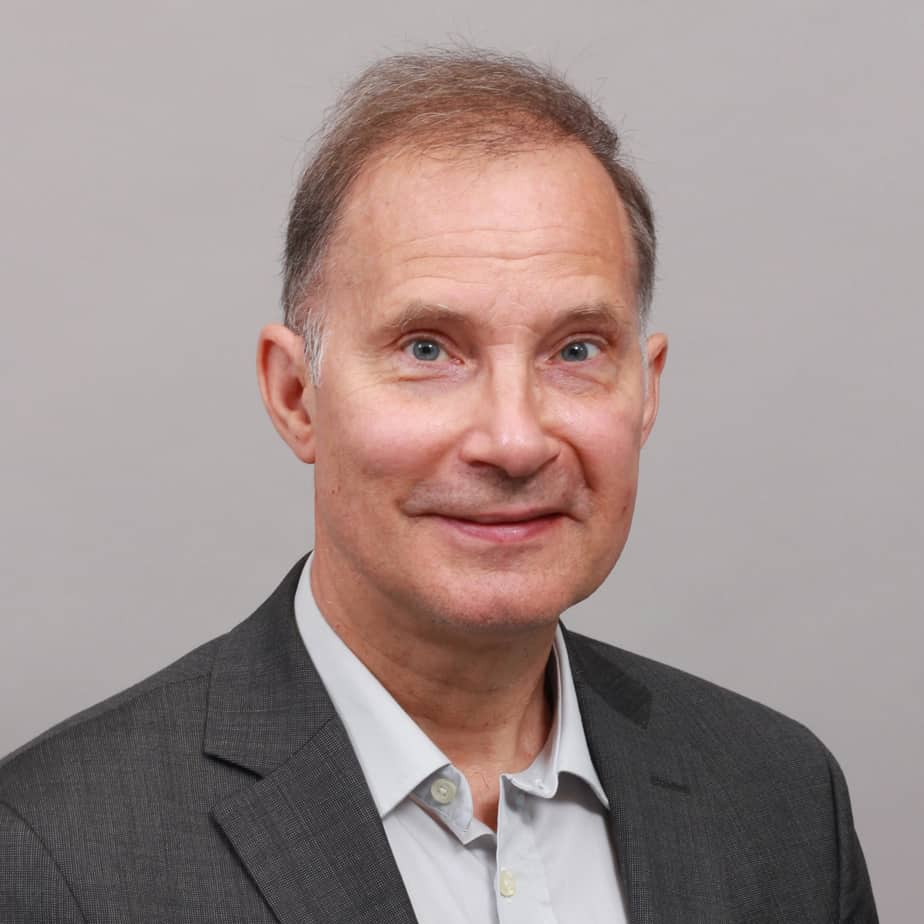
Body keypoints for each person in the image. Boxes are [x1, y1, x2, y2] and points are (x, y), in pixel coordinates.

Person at [0, 48, 877, 923]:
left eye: (576, 350)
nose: (514, 441)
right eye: (428, 349)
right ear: (296, 395)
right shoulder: (55, 853)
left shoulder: (784, 802)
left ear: (646, 394)